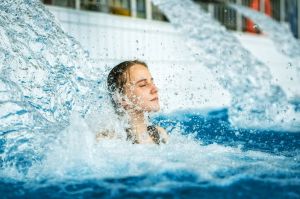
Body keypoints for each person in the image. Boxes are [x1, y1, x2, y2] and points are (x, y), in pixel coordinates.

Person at [97, 60, 168, 144]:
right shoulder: (110, 139)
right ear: (122, 98)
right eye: (143, 85)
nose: (155, 89)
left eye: (152, 82)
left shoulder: (160, 133)